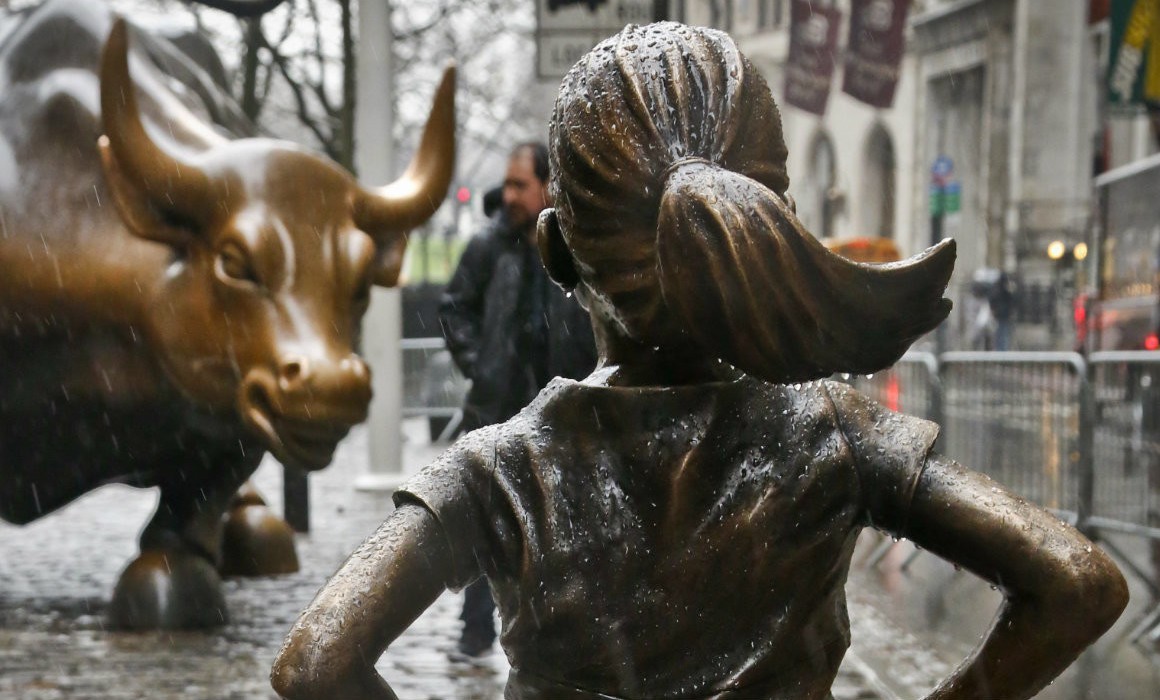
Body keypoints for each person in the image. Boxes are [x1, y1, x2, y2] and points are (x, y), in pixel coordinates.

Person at [272, 23, 1128, 700]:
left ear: (556, 251)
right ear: (775, 222)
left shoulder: (500, 469)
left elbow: (315, 664)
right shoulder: (835, 437)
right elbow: (1078, 584)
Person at [437, 142, 597, 658]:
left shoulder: (577, 247)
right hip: (498, 409)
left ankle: (557, 640)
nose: (508, 195)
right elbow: (454, 308)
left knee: (563, 527)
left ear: (548, 186)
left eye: (519, 185)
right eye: (507, 183)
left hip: (562, 412)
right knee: (485, 523)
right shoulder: (488, 247)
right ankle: (476, 631)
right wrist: (479, 365)